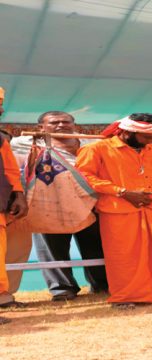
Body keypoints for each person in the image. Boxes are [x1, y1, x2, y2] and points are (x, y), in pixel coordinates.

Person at [75, 113, 152, 309]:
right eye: (147, 137)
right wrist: (122, 192)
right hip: (119, 209)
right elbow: (84, 177)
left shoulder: (150, 149)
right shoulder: (96, 149)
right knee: (125, 256)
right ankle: (125, 297)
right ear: (127, 132)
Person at [10, 111, 109, 301]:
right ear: (41, 127)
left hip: (89, 203)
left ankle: (102, 284)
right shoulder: (25, 144)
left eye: (66, 122)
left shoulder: (90, 145)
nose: (61, 125)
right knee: (52, 250)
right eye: (54, 122)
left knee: (96, 246)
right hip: (47, 205)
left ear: (74, 125)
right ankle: (62, 289)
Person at [1, 86, 29, 324]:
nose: (0, 110)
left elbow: (11, 170)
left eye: (0, 106)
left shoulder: (0, 138)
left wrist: (19, 195)